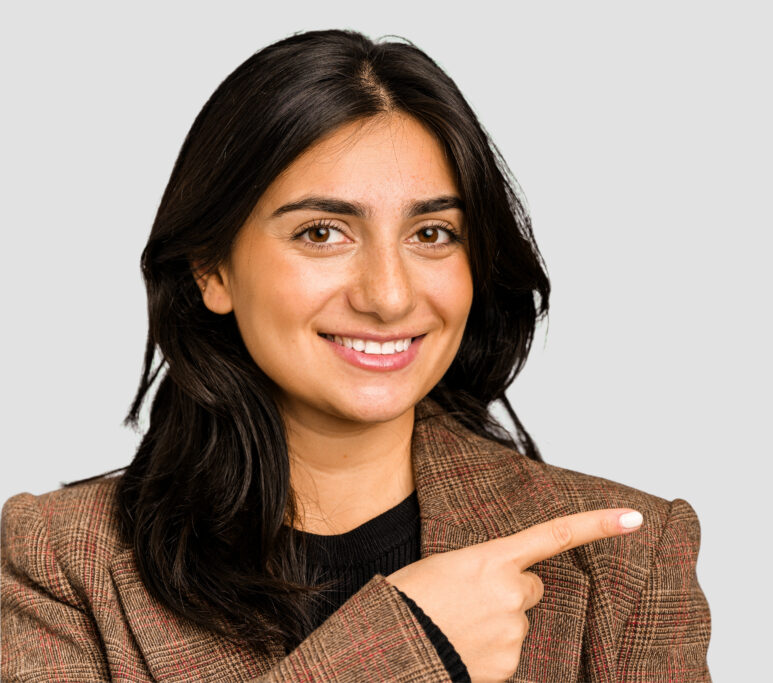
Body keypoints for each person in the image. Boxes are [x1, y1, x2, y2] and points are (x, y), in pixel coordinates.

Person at [0, 29, 711, 682]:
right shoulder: (63, 562)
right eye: (321, 232)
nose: (389, 294)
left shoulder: (623, 568)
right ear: (211, 271)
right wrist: (404, 650)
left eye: (432, 233)